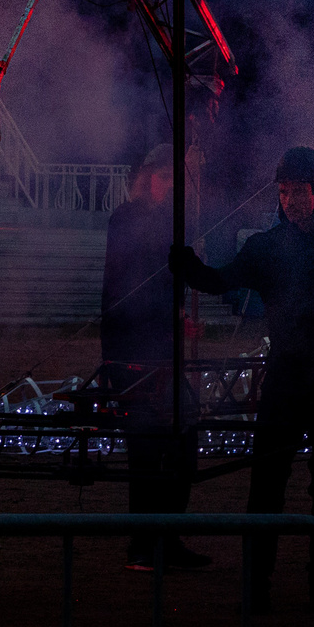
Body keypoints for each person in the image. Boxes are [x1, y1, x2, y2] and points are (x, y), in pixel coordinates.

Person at [172, 146, 314, 611]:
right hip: (286, 377)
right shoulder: (265, 248)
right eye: (284, 192)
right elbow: (222, 281)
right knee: (266, 483)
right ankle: (256, 584)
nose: (290, 200)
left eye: (299, 190)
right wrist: (188, 267)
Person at [100, 145, 211, 572]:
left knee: (179, 442)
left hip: (160, 351)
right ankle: (145, 544)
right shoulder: (127, 220)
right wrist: (171, 316)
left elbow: (165, 286)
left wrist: (178, 316)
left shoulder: (167, 224)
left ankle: (163, 536)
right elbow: (128, 290)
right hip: (133, 352)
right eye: (164, 177)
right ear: (147, 178)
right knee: (147, 451)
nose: (170, 185)